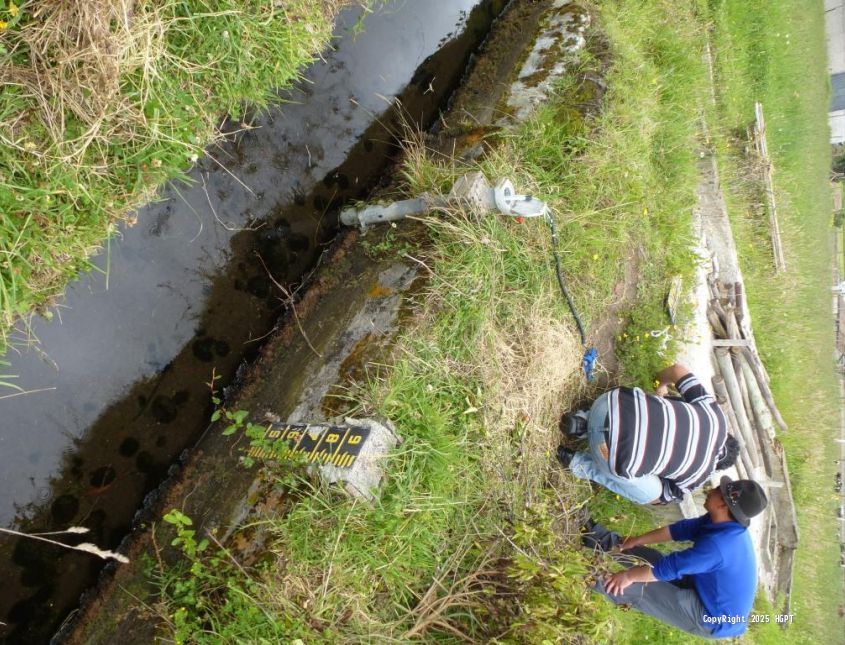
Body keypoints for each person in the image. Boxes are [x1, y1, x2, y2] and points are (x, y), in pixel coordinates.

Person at [584, 477, 768, 639]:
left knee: (642, 589)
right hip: (704, 584)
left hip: (713, 617)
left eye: (717, 490)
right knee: (648, 558)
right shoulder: (720, 521)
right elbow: (678, 531)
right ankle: (592, 535)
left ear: (722, 504)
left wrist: (628, 576)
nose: (710, 490)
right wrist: (635, 541)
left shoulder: (719, 547)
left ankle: (585, 576)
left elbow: (669, 568)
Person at [557, 363, 739, 504]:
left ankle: (582, 422)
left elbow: (677, 369)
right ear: (716, 467)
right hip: (604, 453)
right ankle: (576, 462)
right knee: (650, 494)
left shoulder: (717, 417)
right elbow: (659, 499)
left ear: (726, 436)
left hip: (606, 403)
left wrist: (660, 383)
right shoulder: (698, 477)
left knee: (647, 411)